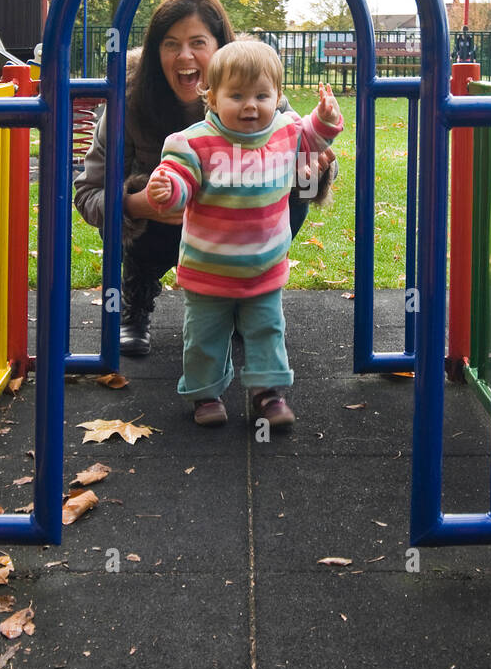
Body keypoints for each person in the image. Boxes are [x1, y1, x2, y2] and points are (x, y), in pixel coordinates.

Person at [73, 0, 337, 357]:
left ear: (220, 48)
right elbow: (88, 193)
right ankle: (137, 291)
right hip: (165, 224)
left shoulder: (254, 89)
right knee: (139, 208)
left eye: (198, 42)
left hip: (238, 230)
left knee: (296, 194)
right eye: (170, 44)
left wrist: (310, 173)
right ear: (155, 52)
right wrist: (137, 204)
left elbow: (309, 163)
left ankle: (248, 300)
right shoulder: (129, 99)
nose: (185, 56)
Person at [145, 39, 343, 427]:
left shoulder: (285, 132)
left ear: (278, 97)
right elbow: (179, 178)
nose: (250, 105)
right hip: (209, 269)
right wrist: (166, 188)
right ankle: (205, 394)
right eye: (236, 95)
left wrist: (325, 117)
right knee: (203, 338)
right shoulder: (194, 142)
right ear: (212, 99)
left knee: (267, 331)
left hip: (264, 268)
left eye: (261, 95)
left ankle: (267, 394)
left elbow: (314, 138)